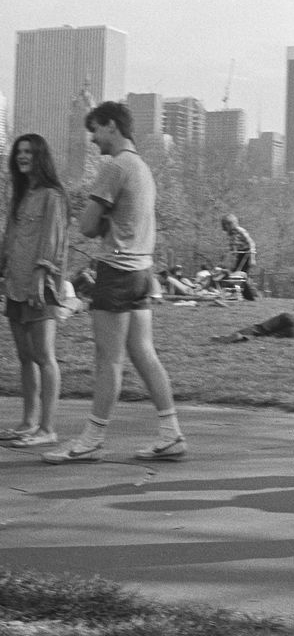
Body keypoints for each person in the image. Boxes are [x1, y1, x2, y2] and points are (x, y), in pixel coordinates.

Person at [42, 101, 186, 464]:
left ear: (111, 126)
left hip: (116, 271)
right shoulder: (142, 167)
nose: (92, 139)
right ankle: (171, 435)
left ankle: (91, 439)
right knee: (144, 354)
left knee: (108, 359)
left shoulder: (115, 166)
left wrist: (100, 216)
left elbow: (88, 226)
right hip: (141, 272)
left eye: (95, 130)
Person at [0, 134, 69, 448]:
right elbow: (11, 239)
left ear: (40, 156)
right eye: (19, 152)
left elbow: (52, 242)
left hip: (39, 288)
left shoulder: (53, 195)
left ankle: (47, 428)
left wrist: (41, 278)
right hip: (14, 285)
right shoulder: (20, 194)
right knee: (25, 357)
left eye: (29, 152)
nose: (22, 156)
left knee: (44, 356)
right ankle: (28, 422)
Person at [211, 295, 294, 342]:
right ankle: (244, 338)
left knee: (260, 328)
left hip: (292, 321)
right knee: (266, 337)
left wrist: (291, 313)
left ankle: (235, 335)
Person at [221, 213, 257, 300]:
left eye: (227, 225)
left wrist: (252, 258)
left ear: (230, 223)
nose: (226, 228)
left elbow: (251, 243)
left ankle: (249, 296)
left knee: (241, 275)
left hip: (247, 254)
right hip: (239, 255)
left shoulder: (240, 230)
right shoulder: (230, 234)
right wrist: (229, 262)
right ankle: (244, 295)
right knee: (234, 275)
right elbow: (232, 249)